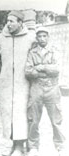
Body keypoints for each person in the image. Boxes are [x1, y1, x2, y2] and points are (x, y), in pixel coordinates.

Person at [0, 11, 35, 156]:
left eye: (12, 21)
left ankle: (20, 145)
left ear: (20, 23)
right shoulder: (0, 38)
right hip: (6, 83)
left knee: (21, 113)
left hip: (23, 82)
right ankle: (13, 144)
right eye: (7, 21)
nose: (8, 24)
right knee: (7, 114)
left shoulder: (30, 37)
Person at [25, 27, 66, 156]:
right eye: (40, 36)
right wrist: (45, 71)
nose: (42, 39)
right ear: (36, 38)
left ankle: (60, 146)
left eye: (44, 36)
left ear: (48, 37)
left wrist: (41, 67)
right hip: (36, 88)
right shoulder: (32, 52)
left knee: (56, 119)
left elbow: (57, 69)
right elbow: (28, 71)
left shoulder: (54, 51)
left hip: (52, 88)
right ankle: (33, 147)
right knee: (33, 119)